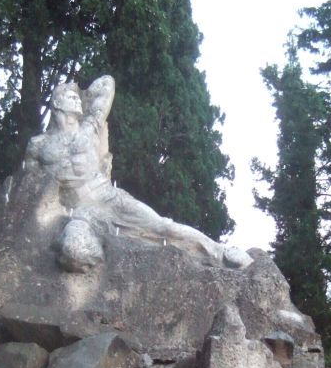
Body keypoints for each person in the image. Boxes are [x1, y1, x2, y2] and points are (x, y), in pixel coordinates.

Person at [25, 75, 252, 269]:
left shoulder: (89, 128)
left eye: (76, 96)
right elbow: (28, 188)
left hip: (108, 197)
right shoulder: (38, 145)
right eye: (69, 95)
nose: (75, 99)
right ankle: (105, 254)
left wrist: (86, 93)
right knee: (75, 250)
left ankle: (220, 252)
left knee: (163, 226)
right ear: (56, 103)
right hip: (81, 211)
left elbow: (107, 83)